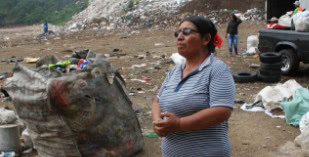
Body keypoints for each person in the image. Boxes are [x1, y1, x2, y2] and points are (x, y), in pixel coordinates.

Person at [152, 16, 235, 157]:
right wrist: (157, 122)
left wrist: (179, 124)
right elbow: (157, 101)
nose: (179, 37)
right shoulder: (175, 71)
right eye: (177, 33)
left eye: (187, 32)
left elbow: (222, 111)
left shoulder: (217, 69)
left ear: (206, 39)